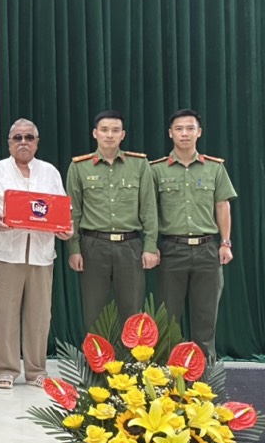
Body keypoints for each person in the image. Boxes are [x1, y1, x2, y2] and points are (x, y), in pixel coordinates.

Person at [0, 120, 71, 389]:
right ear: (9, 143)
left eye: (29, 137)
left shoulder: (50, 172)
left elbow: (62, 210)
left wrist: (65, 229)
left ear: (37, 143)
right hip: (6, 253)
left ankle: (36, 371)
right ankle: (5, 370)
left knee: (39, 316)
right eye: (17, 137)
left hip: (41, 254)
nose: (23, 142)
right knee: (4, 315)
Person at [151, 109, 237, 356]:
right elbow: (149, 211)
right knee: (167, 318)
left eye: (190, 128)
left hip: (207, 249)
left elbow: (222, 205)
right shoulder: (156, 170)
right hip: (171, 249)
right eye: (179, 129)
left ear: (199, 132)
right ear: (170, 133)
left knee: (205, 318)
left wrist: (225, 242)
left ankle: (204, 374)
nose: (185, 134)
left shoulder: (214, 168)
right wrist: (151, 245)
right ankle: (166, 373)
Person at [67, 110, 159, 333]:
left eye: (115, 130)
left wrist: (150, 247)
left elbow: (149, 208)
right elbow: (73, 213)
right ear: (95, 133)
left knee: (132, 313)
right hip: (93, 246)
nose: (109, 135)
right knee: (94, 313)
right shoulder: (79, 167)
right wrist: (74, 249)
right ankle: (95, 357)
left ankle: (131, 357)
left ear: (123, 134)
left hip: (129, 246)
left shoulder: (139, 164)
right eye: (105, 130)